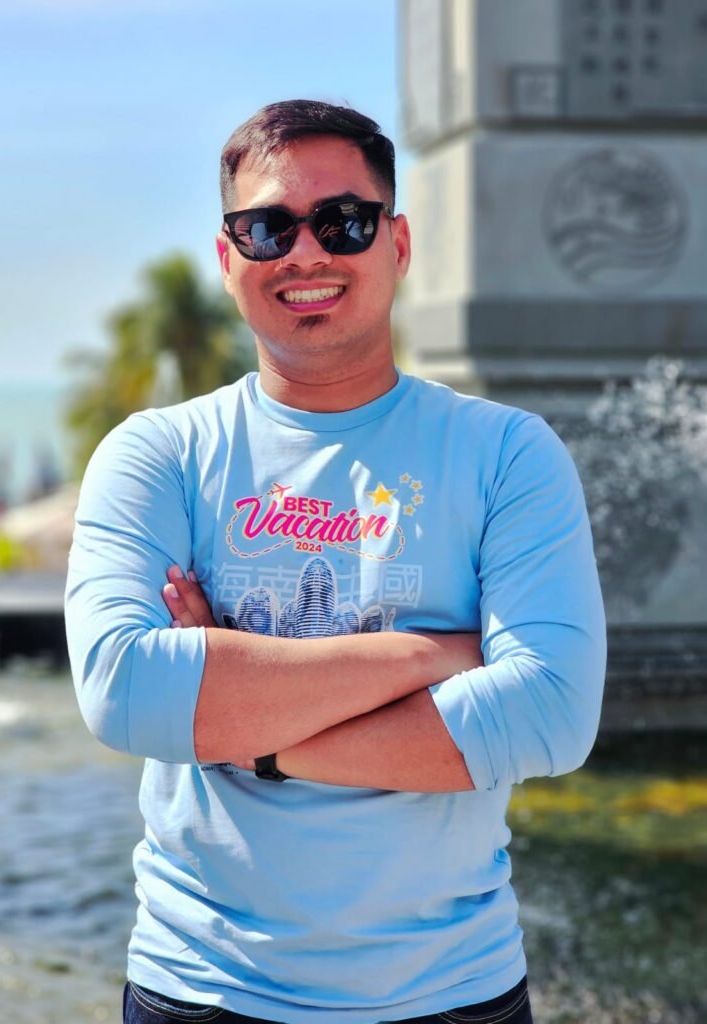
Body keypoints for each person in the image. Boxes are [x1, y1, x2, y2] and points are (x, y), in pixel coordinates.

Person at [65, 99, 606, 1024]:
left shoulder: (507, 453)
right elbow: (126, 692)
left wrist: (242, 728)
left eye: (343, 221)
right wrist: (435, 655)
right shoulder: (159, 454)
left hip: (453, 990)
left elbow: (551, 715)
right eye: (268, 228)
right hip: (202, 987)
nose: (306, 253)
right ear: (229, 257)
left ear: (398, 243)